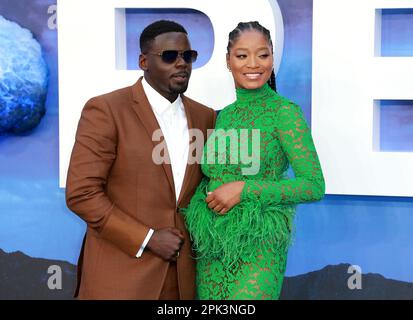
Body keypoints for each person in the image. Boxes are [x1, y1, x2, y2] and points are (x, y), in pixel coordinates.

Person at [65, 20, 216, 299]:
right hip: (122, 278)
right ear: (144, 61)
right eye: (170, 56)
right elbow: (82, 193)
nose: (181, 63)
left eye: (188, 56)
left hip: (184, 281)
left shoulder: (206, 117)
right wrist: (148, 238)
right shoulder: (106, 110)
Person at [183, 21, 325, 300]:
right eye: (242, 55)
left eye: (263, 54)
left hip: (260, 248)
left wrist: (244, 190)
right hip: (212, 246)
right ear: (227, 61)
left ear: (272, 57)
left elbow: (313, 186)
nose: (254, 64)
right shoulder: (222, 116)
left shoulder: (285, 113)